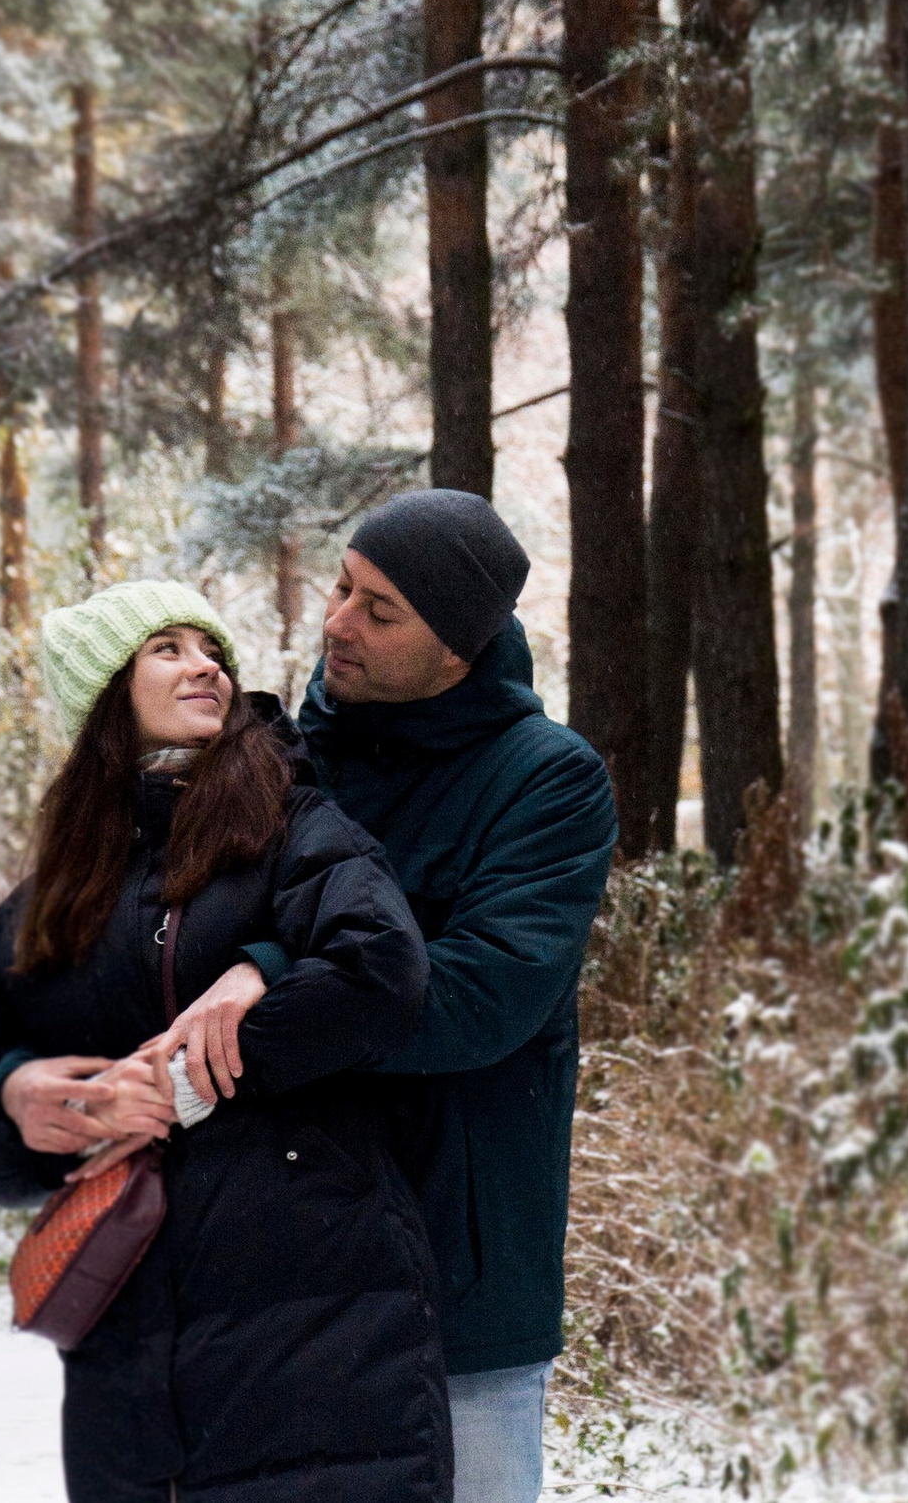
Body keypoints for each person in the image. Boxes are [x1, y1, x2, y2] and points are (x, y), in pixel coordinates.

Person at [0, 579, 451, 1503]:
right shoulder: (49, 896)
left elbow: (381, 971)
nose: (205, 666)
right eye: (168, 649)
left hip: (317, 1318)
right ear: (106, 693)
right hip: (128, 1369)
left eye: (211, 648)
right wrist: (27, 1102)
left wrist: (183, 1082)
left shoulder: (293, 822)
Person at [289, 489, 618, 1503]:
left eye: (381, 611)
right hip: (288, 1266)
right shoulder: (289, 762)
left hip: (459, 1286)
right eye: (343, 586)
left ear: (458, 651)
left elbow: (480, 998)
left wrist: (266, 1007)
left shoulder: (545, 781)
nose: (339, 620)